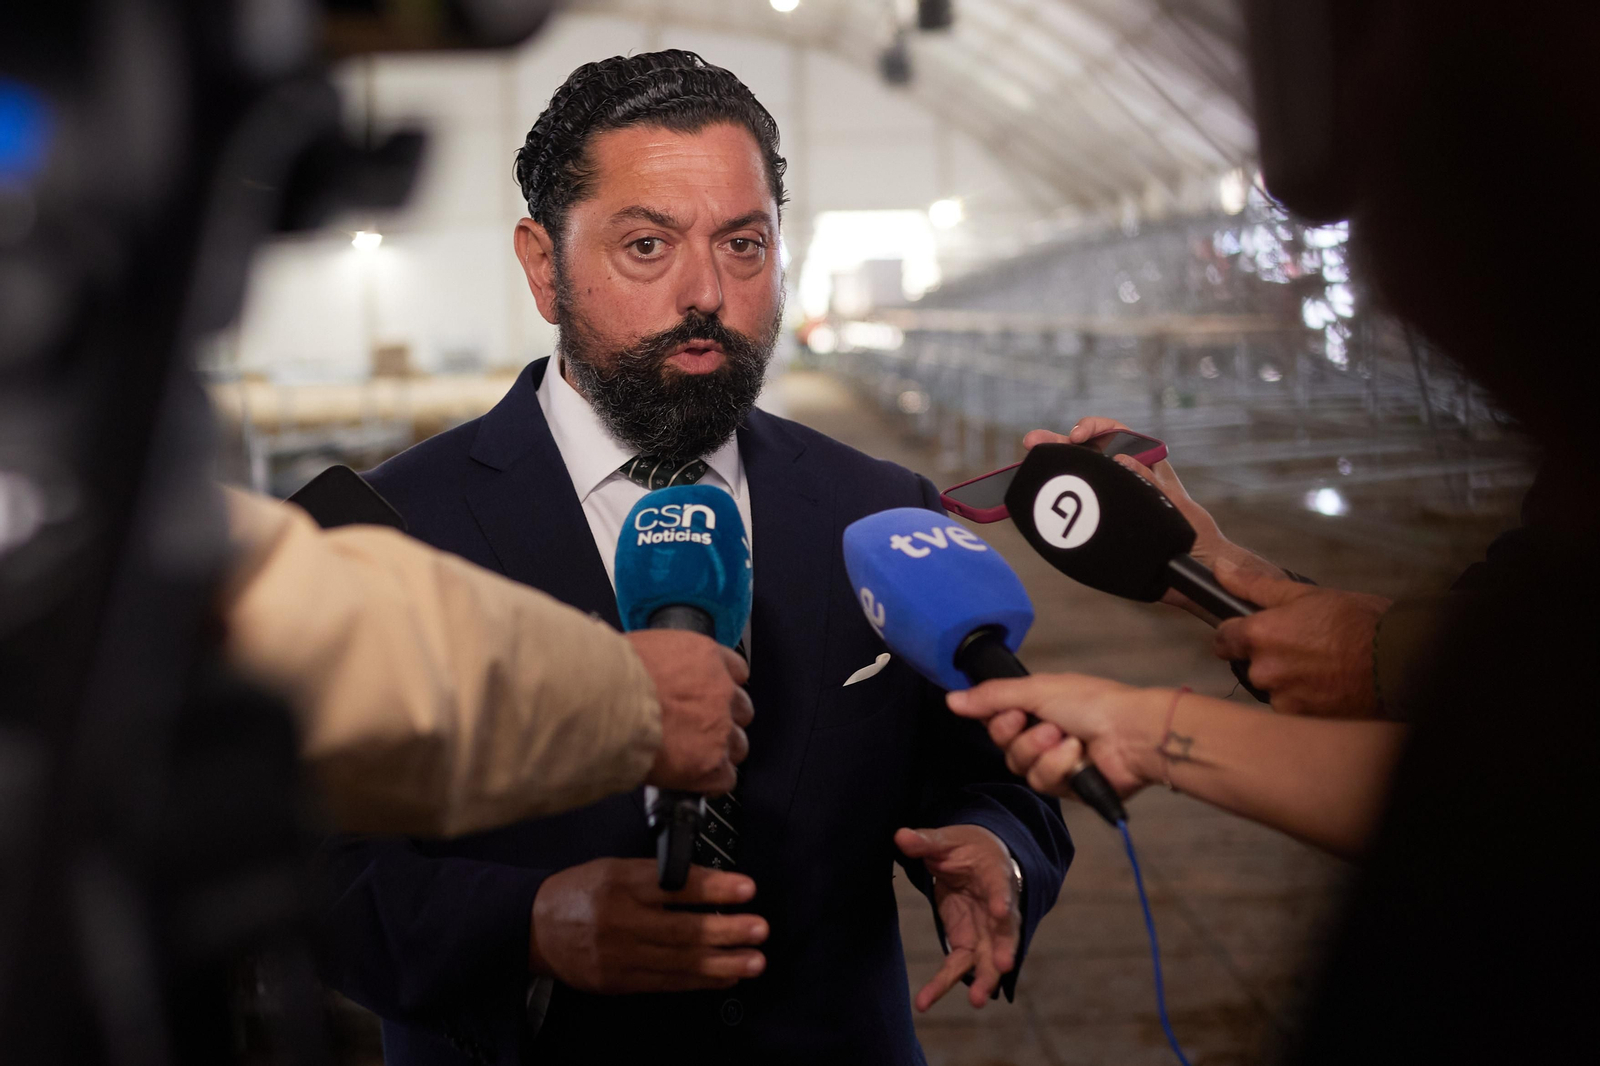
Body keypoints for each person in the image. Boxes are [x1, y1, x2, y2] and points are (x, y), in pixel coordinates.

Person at [319, 51, 1071, 1065]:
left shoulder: (879, 510)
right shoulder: (382, 540)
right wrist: (529, 924)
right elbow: (307, 873)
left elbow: (994, 777)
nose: (707, 292)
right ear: (543, 265)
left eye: (743, 244)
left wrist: (997, 850)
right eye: (645, 245)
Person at [222, 486, 752, 838]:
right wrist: (522, 927)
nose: (704, 305)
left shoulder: (834, 483)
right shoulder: (384, 511)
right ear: (548, 306)